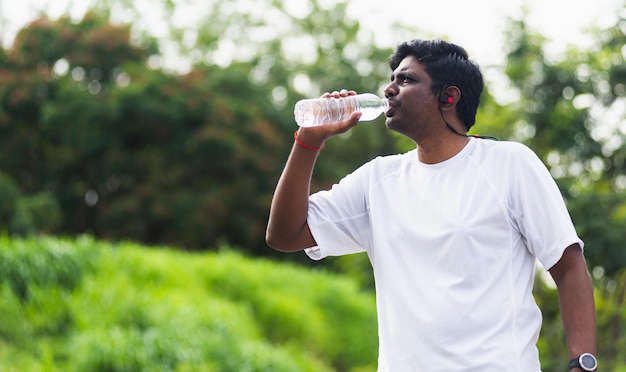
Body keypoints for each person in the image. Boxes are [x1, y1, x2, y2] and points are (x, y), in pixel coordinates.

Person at [266, 38, 596, 371]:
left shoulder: (509, 164)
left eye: (406, 79)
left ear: (448, 97)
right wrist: (308, 140)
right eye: (392, 79)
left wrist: (582, 364)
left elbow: (568, 267)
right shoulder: (378, 180)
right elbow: (285, 235)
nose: (389, 89)